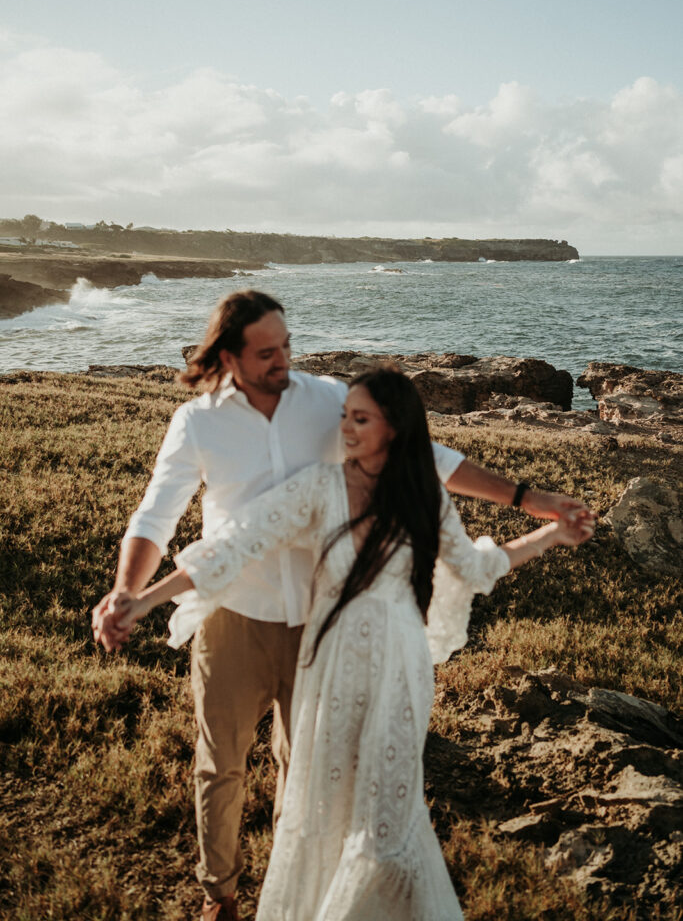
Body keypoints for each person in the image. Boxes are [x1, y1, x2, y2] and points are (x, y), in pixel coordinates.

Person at [92, 290, 590, 921]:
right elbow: (201, 536)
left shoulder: (337, 410)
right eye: (266, 352)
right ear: (230, 355)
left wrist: (533, 505)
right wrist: (132, 595)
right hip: (246, 614)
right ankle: (222, 892)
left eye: (286, 346)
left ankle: (323, 892)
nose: (283, 361)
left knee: (327, 781)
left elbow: (443, 493)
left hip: (353, 642)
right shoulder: (211, 429)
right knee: (226, 763)